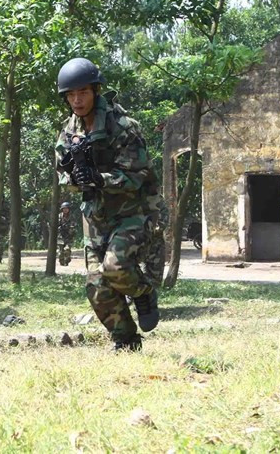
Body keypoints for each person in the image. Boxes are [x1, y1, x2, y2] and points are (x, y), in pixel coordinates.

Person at [54, 57, 160, 351]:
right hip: (96, 216)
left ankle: (143, 292)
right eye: (71, 95)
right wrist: (75, 178)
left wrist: (100, 179)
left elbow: (137, 176)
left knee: (115, 267)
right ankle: (126, 340)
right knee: (96, 286)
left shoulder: (123, 127)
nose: (77, 100)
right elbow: (63, 176)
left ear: (96, 91)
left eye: (83, 92)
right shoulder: (67, 132)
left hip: (133, 212)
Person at [57, 201, 75, 266]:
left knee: (67, 250)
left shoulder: (71, 217)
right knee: (60, 253)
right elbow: (56, 225)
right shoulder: (59, 216)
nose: (65, 210)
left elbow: (74, 225)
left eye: (66, 208)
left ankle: (67, 260)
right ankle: (62, 262)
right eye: (64, 208)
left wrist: (71, 229)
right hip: (61, 236)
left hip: (69, 236)